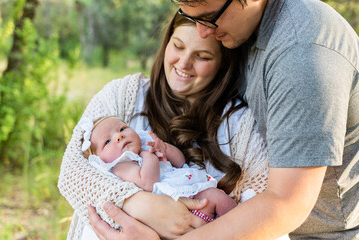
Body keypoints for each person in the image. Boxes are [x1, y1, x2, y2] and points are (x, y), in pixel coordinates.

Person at [147, 0, 359, 239]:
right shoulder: (241, 29)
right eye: (190, 16)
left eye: (209, 17)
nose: (203, 31)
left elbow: (286, 203)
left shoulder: (301, 53)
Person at [58, 12, 269, 240]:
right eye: (178, 46)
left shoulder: (242, 125)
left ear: (224, 64)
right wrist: (141, 205)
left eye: (203, 56)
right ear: (166, 42)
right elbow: (72, 171)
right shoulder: (123, 95)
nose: (184, 63)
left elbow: (262, 216)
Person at [79, 115, 237, 223]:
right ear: (100, 160)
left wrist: (165, 149)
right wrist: (149, 156)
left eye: (122, 129)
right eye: (107, 142)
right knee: (214, 200)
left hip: (191, 191)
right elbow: (148, 182)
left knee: (218, 198)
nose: (118, 137)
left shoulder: (146, 143)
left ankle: (240, 221)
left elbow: (180, 162)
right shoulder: (121, 166)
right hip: (176, 207)